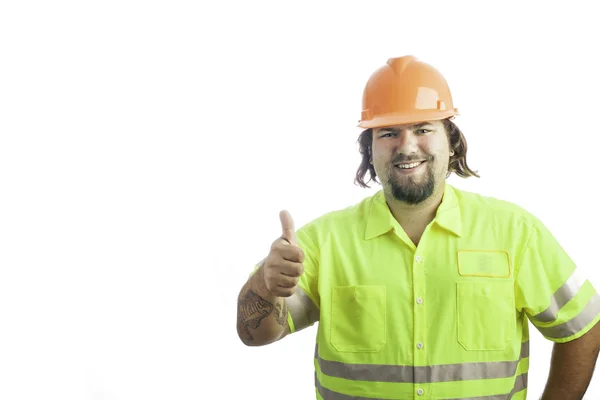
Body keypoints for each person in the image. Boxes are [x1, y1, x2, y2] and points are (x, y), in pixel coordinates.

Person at [235, 55, 600, 399]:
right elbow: (255, 336)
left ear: (451, 141)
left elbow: (584, 326)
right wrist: (266, 287)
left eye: (423, 128)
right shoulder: (322, 243)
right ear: (369, 149)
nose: (406, 147)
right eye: (388, 132)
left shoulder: (516, 234)